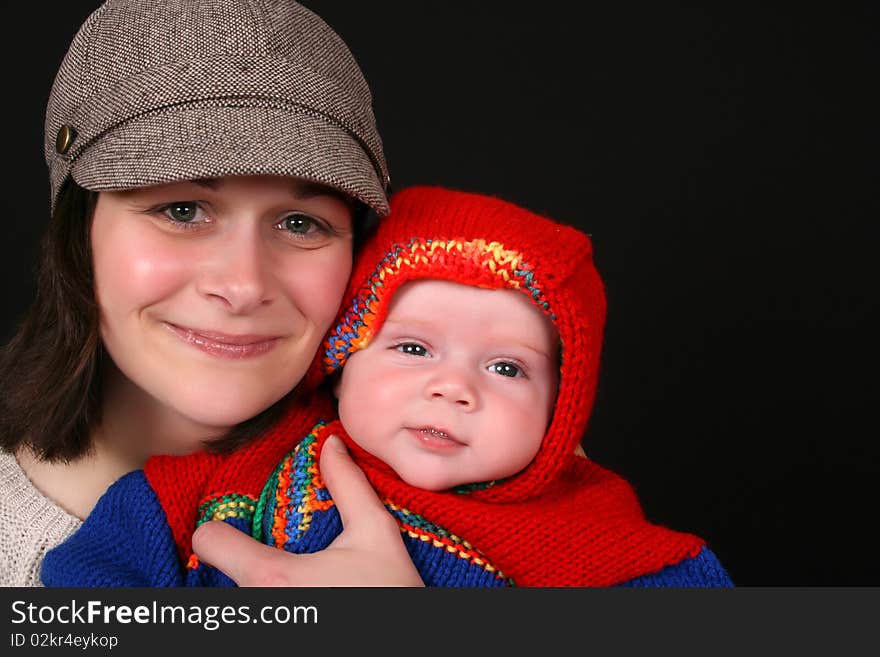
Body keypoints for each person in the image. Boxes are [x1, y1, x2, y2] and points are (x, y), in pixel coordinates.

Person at [43, 186, 733, 587]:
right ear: (342, 365)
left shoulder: (598, 537)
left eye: (507, 367)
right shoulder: (235, 476)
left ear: (562, 410)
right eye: (411, 347)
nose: (453, 389)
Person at [0, 0, 422, 588]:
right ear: (77, 230)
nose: (243, 286)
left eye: (300, 223)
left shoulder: (486, 491)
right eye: (182, 210)